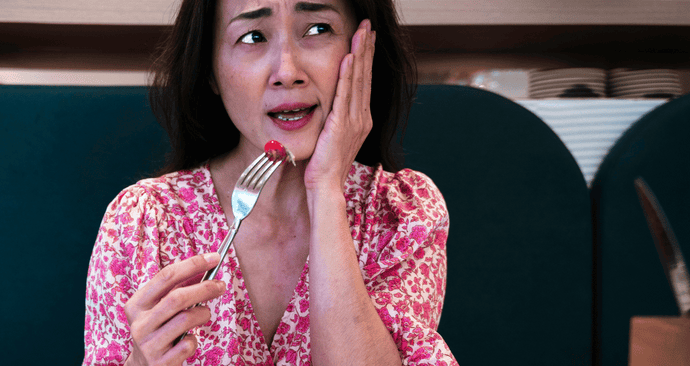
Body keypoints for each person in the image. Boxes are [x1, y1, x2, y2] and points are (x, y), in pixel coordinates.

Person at [84, 0, 456, 364]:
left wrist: (325, 190)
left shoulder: (403, 214)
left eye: (317, 29)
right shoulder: (141, 221)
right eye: (253, 36)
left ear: (362, 53)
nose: (287, 70)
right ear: (210, 70)